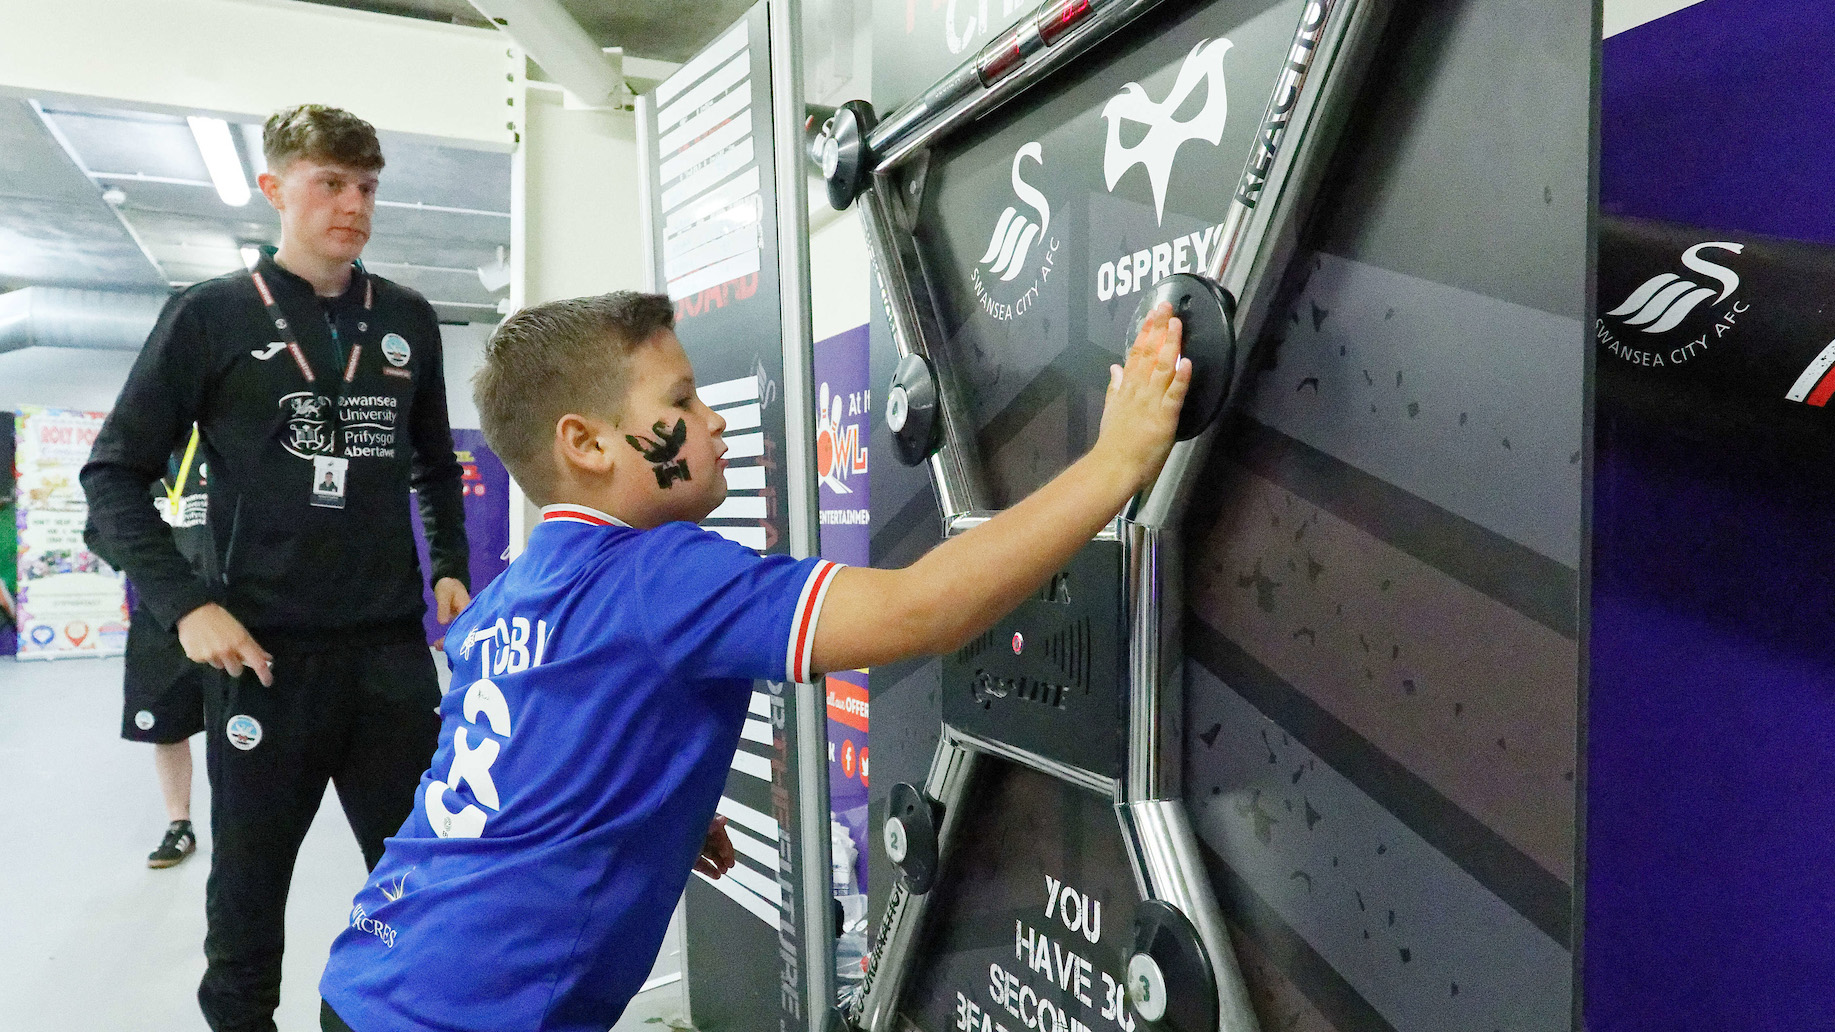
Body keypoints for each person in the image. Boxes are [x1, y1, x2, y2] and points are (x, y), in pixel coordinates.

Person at [316, 292, 1191, 1032]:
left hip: (370, 975)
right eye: (684, 402)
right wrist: (1119, 459)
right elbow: (922, 610)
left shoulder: (513, 594)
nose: (712, 420)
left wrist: (652, 805)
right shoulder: (661, 573)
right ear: (587, 444)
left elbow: (515, 751)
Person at [81, 104, 472, 1032]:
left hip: (387, 657)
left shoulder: (408, 319)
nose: (353, 205)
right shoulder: (210, 316)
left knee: (424, 890)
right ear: (274, 189)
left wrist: (450, 564)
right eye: (330, 184)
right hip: (262, 659)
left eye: (367, 187)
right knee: (249, 899)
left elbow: (433, 465)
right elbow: (112, 475)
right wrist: (184, 606)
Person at [125, 430, 217, 869]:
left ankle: (241, 825)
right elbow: (101, 530)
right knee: (165, 727)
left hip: (227, 612)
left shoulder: (225, 442)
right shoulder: (137, 457)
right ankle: (178, 824)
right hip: (161, 613)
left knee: (239, 725)